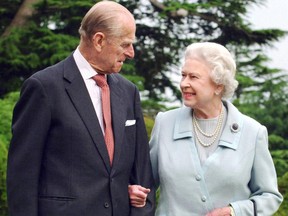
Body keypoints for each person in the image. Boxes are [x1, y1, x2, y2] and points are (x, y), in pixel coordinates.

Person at [7, 1, 155, 216]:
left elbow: (142, 173)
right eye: (125, 44)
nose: (131, 53)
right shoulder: (44, 87)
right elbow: (22, 175)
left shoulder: (129, 91)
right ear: (99, 40)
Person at [129, 42, 283, 215]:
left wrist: (234, 211)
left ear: (218, 85)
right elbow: (144, 182)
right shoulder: (165, 123)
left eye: (193, 77)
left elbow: (269, 196)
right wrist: (133, 190)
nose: (184, 83)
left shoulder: (252, 132)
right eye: (183, 75)